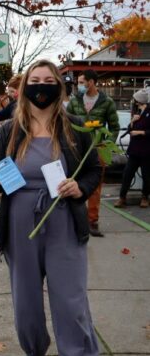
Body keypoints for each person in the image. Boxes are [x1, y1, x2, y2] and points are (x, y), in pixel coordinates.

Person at [0, 60, 106, 356]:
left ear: (60, 87)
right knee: (26, 299)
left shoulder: (74, 131)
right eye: (34, 81)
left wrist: (79, 187)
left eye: (48, 81)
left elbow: (92, 170)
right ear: (24, 88)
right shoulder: (9, 130)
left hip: (63, 221)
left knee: (71, 301)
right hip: (21, 221)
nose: (41, 87)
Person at [67, 69, 119, 237]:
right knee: (73, 183)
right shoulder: (75, 101)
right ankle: (74, 218)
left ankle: (92, 221)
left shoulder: (107, 102)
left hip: (98, 149)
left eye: (82, 82)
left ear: (91, 82)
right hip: (77, 149)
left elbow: (114, 126)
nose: (79, 85)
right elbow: (66, 123)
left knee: (95, 186)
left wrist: (107, 144)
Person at [114, 89, 150, 208]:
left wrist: (140, 132)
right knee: (127, 173)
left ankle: (145, 197)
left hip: (146, 150)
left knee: (146, 175)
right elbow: (129, 129)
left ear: (139, 100)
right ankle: (122, 197)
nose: (134, 101)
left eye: (135, 99)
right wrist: (132, 121)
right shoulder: (137, 113)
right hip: (134, 150)